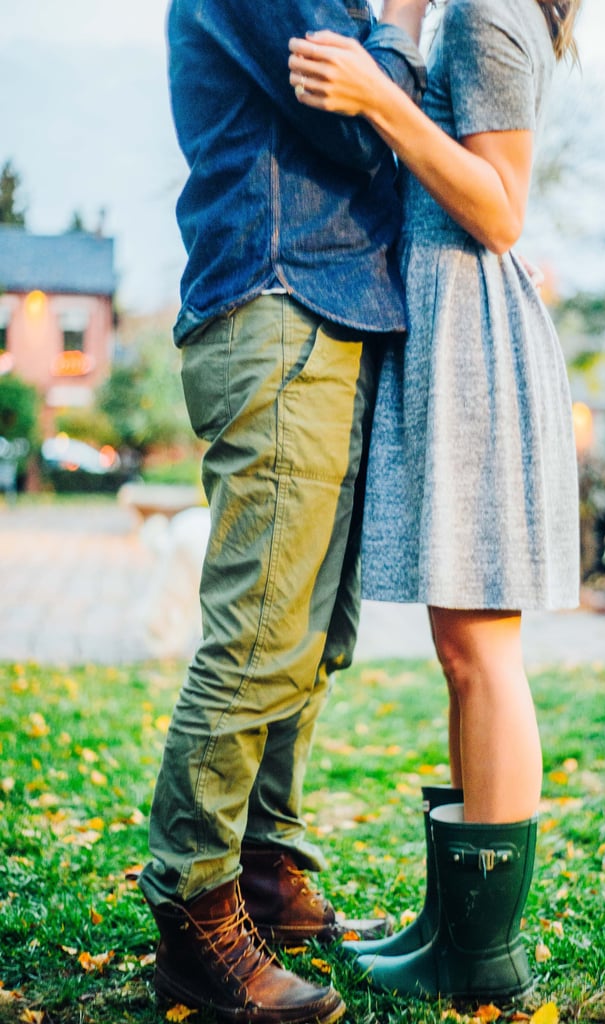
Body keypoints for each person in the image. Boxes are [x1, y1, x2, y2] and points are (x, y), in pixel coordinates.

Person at [136, 2, 428, 1022]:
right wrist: (402, 15)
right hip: (278, 303)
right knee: (260, 634)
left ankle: (266, 870)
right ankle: (194, 905)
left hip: (330, 311)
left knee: (311, 638)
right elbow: (356, 121)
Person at [288, 0, 582, 1004]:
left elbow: (500, 208)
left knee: (482, 650)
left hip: (476, 348)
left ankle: (483, 956)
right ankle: (449, 927)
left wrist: (378, 95)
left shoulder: (490, 11)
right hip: (445, 339)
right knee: (461, 652)